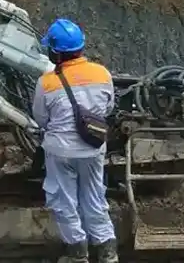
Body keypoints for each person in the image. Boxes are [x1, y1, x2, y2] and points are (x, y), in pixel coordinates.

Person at [31, 18, 118, 263]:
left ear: (56, 53)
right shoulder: (102, 73)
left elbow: (41, 118)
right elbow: (108, 108)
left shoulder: (47, 81)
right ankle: (107, 252)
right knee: (94, 197)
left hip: (61, 151)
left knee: (64, 200)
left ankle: (77, 253)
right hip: (93, 148)